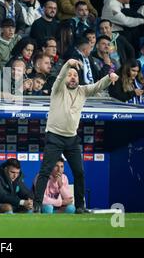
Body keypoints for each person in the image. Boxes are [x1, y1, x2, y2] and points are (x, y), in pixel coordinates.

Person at [33, 59, 119, 213]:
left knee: (79, 173)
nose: (72, 77)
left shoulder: (82, 91)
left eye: (75, 75)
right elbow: (60, 77)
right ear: (65, 77)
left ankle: (80, 206)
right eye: (69, 75)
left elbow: (97, 86)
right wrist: (68, 64)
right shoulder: (58, 89)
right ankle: (37, 205)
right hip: (54, 136)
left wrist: (109, 77)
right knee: (45, 171)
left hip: (72, 138)